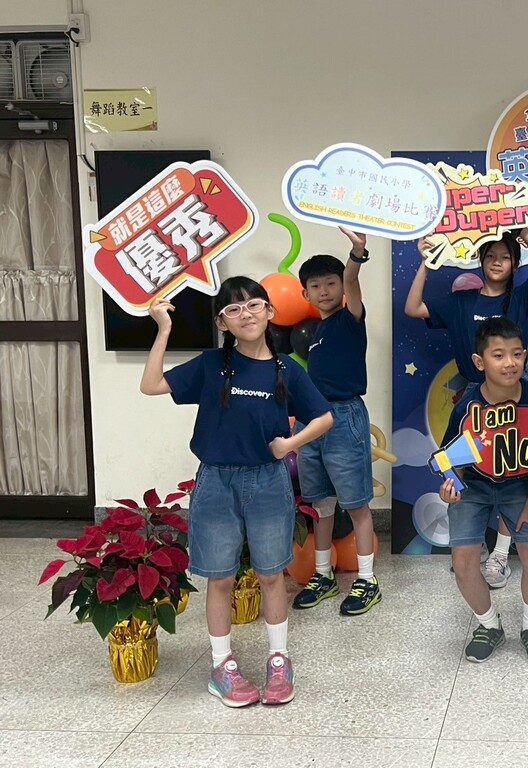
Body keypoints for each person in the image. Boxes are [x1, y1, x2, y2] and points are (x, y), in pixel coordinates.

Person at [140, 277, 333, 707]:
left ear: (269, 312)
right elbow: (151, 385)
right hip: (216, 482)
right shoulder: (212, 365)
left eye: (254, 305)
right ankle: (221, 666)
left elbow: (323, 417)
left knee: (271, 574)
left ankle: (279, 660)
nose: (245, 314)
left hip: (268, 481)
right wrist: (163, 329)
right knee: (221, 576)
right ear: (222, 322)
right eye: (233, 308)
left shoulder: (286, 370)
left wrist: (289, 444)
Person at [406, 225, 528, 588]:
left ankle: (501, 554)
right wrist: (425, 262)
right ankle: (472, 545)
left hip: (514, 398)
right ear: (480, 259)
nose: (497, 262)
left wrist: (518, 223)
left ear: (515, 263)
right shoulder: (462, 302)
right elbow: (412, 308)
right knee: (469, 467)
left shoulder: (519, 297)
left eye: (505, 257)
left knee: (511, 469)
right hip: (472, 396)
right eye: (490, 256)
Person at [438, 317, 528, 665]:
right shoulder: (466, 406)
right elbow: (450, 457)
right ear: (480, 362)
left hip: (519, 485)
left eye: (517, 354)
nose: (509, 363)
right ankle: (489, 625)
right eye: (499, 355)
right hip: (473, 487)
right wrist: (450, 486)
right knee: (463, 562)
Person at [291, 227, 381, 616]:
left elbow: (353, 280)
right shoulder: (316, 333)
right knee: (321, 504)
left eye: (331, 283)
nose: (325, 290)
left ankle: (368, 581)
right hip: (311, 421)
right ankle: (323, 575)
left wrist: (356, 252)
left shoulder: (349, 319)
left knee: (356, 503)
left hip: (345, 417)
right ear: (305, 294)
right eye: (316, 286)